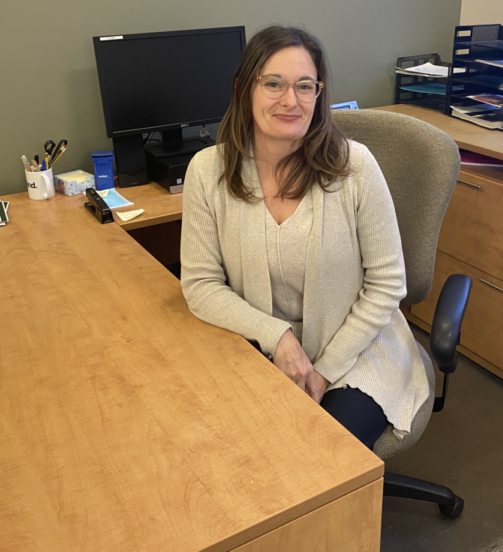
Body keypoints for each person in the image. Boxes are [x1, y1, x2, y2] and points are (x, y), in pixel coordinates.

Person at [180, 25, 430, 449]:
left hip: (358, 348)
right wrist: (277, 336)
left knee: (313, 452)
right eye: (273, 83)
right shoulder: (208, 171)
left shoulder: (355, 168)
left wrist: (324, 370)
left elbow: (388, 284)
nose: (290, 100)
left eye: (304, 86)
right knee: (219, 440)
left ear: (320, 93)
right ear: (244, 89)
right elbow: (201, 285)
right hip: (262, 347)